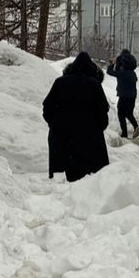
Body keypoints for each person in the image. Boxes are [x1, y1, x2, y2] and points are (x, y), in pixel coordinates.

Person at [43, 52, 110, 182]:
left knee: (65, 184)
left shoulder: (60, 83)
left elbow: (47, 109)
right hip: (89, 142)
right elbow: (103, 112)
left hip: (62, 142)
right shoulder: (94, 85)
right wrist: (95, 129)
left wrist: (56, 126)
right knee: (91, 183)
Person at [106, 49, 139, 139]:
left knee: (121, 113)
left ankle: (124, 133)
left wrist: (112, 64)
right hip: (132, 96)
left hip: (124, 96)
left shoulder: (122, 72)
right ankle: (136, 126)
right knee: (129, 113)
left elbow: (109, 72)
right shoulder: (133, 73)